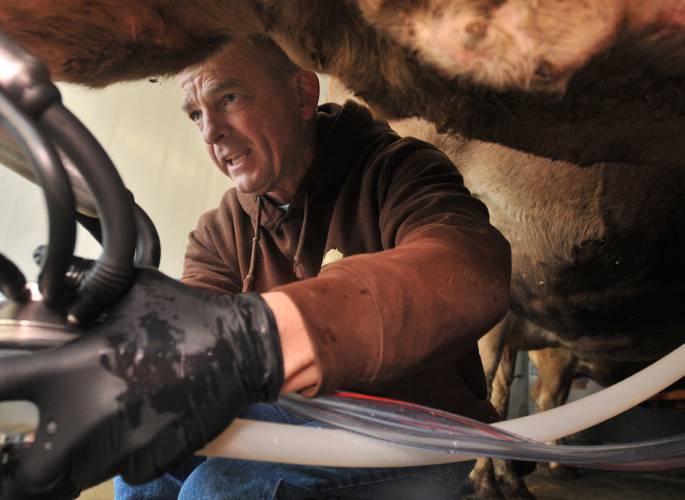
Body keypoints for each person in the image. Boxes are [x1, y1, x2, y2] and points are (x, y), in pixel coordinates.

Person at [0, 35, 509, 500]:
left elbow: (470, 271)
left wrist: (261, 334)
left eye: (228, 99)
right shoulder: (220, 229)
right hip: (296, 415)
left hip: (416, 428)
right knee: (143, 473)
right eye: (195, 115)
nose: (212, 134)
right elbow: (193, 342)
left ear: (302, 95)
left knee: (221, 488)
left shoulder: (398, 171)